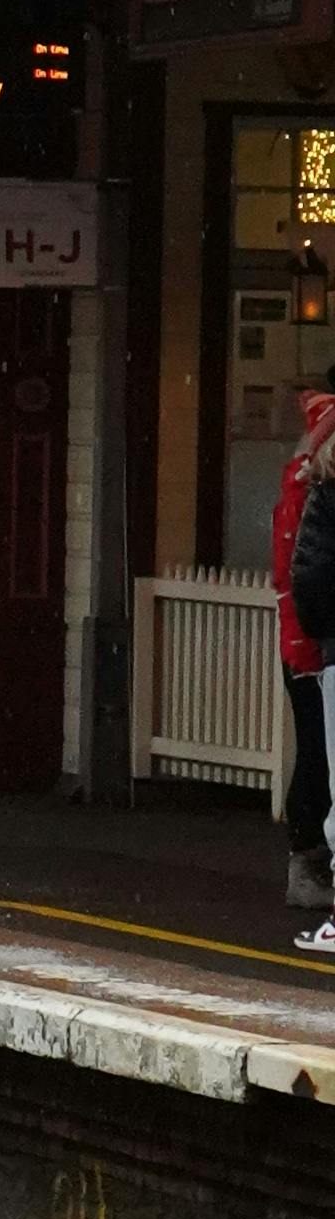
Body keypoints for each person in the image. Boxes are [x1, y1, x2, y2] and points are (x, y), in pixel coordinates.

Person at [283, 383, 335, 941]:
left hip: (324, 646)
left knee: (324, 761)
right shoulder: (313, 491)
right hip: (321, 646)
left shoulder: (315, 490)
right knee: (321, 760)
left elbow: (306, 576)